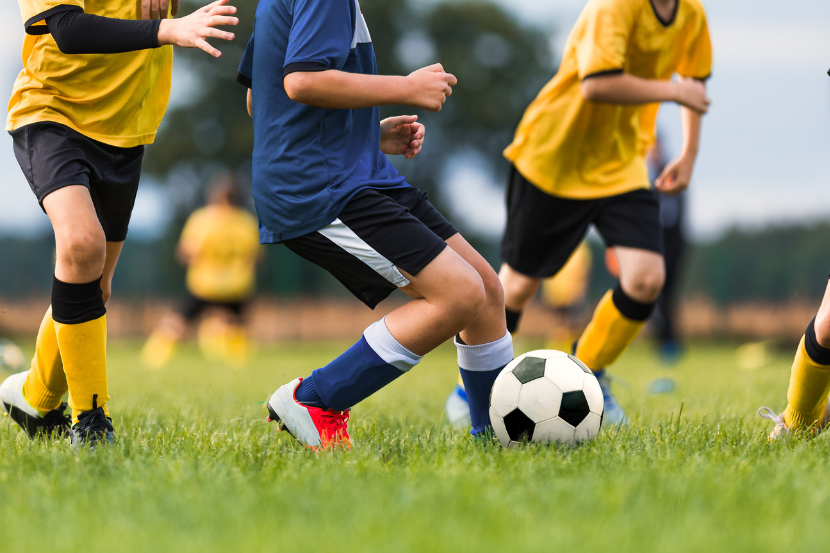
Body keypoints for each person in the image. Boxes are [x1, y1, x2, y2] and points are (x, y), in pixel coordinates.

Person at [237, 0, 512, 449]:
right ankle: (317, 398)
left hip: (355, 172)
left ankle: (493, 438)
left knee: (486, 291)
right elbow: (301, 81)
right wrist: (406, 86)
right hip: (318, 188)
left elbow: (259, 99)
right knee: (460, 294)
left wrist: (363, 134)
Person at [0, 0, 238, 447]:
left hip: (126, 128)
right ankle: (91, 419)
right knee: (81, 245)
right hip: (54, 113)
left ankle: (32, 395)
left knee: (97, 288)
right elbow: (66, 29)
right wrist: (167, 28)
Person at [495, 0, 711, 425]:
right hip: (555, 158)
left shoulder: (692, 14)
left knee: (646, 279)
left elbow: (695, 82)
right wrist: (671, 89)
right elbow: (597, 83)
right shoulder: (612, 7)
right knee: (517, 287)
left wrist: (688, 153)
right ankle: (475, 388)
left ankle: (588, 374)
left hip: (622, 165)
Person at [142, 174, 261, 370]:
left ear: (216, 197)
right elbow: (255, 258)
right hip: (236, 285)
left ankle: (153, 360)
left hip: (205, 284)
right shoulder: (246, 223)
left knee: (177, 322)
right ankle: (240, 366)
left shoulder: (203, 219)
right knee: (237, 326)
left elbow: (186, 253)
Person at [649, 136, 688, 363]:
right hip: (657, 247)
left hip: (671, 247)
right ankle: (663, 343)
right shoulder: (650, 178)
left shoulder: (669, 175)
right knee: (656, 299)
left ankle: (670, 345)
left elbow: (670, 217)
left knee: (666, 298)